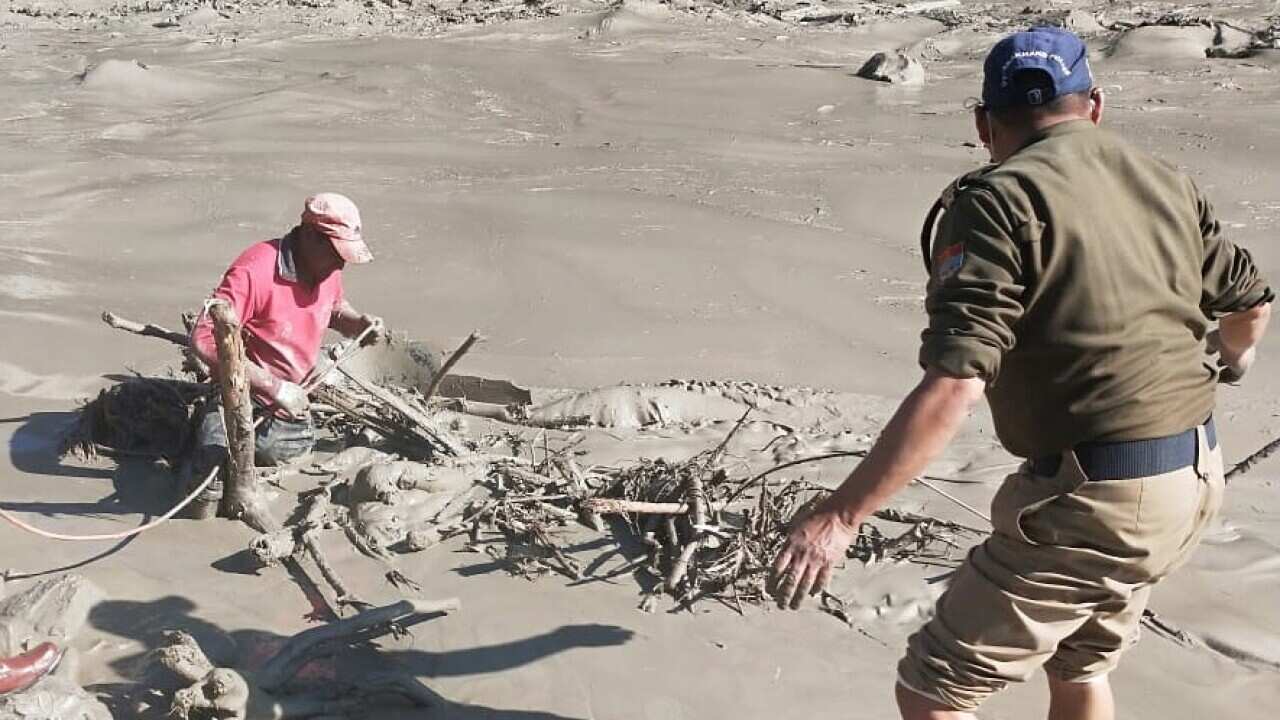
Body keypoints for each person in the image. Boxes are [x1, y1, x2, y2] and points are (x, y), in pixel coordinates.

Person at [769, 26, 1273, 720]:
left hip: (1100, 502)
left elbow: (955, 385)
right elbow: (1250, 301)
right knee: (1081, 664)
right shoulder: (1165, 180)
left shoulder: (994, 203)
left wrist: (840, 515)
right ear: (1094, 104)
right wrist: (1235, 357)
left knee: (932, 688)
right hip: (1192, 477)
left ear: (983, 124)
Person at [185, 193, 386, 514]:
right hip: (245, 397)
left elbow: (333, 307)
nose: (341, 263)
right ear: (309, 236)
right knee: (205, 483)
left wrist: (357, 322)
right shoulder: (256, 269)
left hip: (295, 409)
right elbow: (203, 336)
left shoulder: (327, 267)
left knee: (288, 452)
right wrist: (273, 387)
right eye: (337, 252)